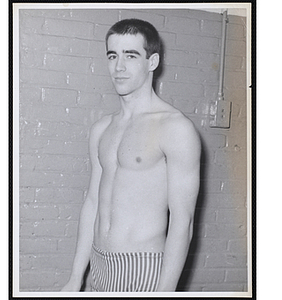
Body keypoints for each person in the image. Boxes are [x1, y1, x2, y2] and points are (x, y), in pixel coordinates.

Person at [61, 18, 201, 292]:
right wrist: (76, 276)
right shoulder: (102, 128)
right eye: (112, 55)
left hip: (144, 267)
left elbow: (183, 221)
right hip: (99, 266)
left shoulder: (174, 127)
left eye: (131, 55)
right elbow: (92, 203)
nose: (119, 66)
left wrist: (165, 292)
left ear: (152, 62)